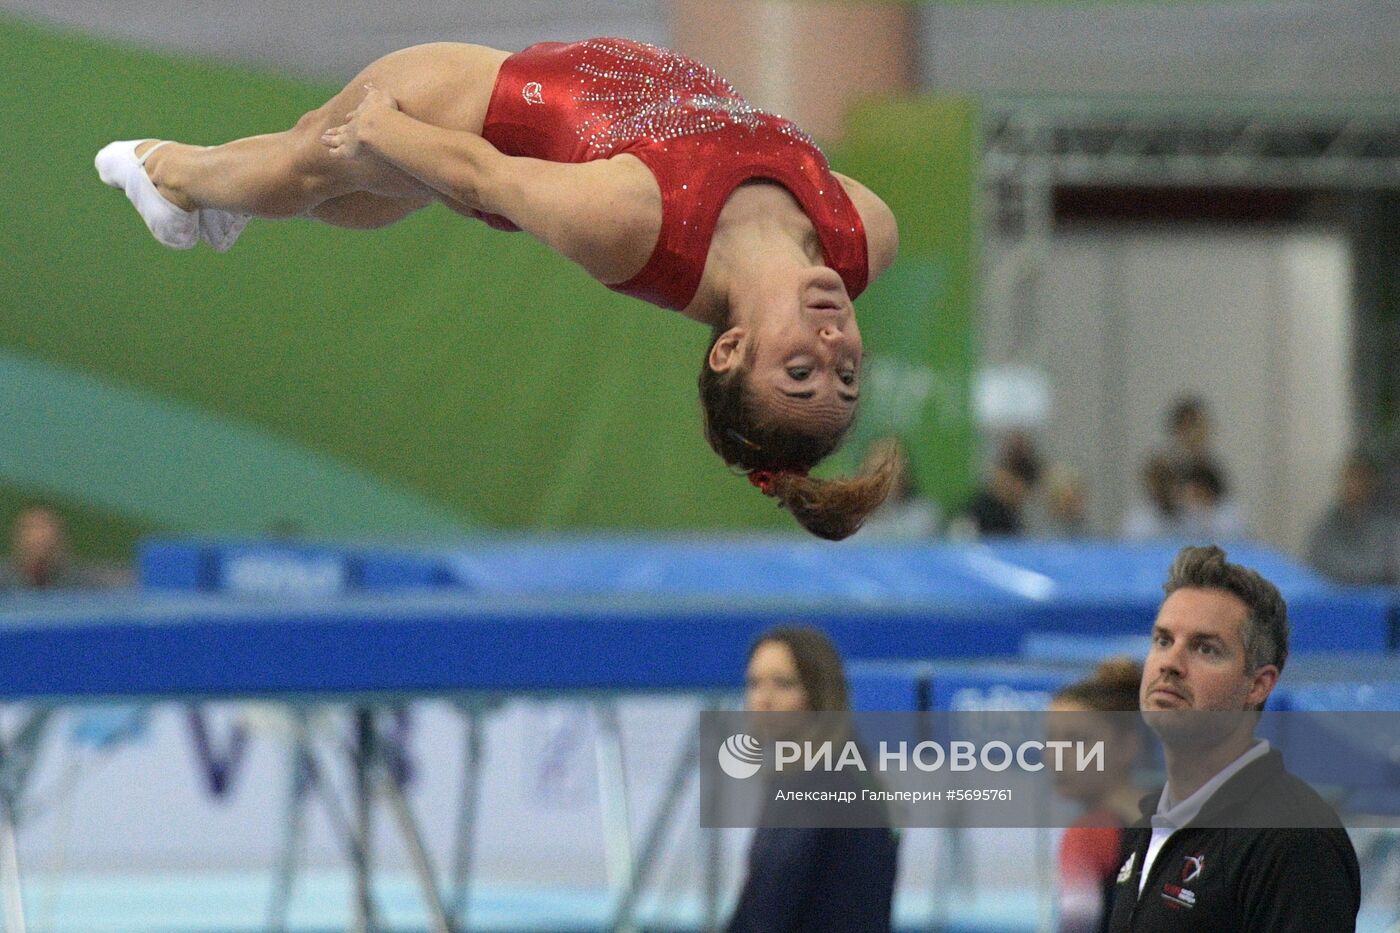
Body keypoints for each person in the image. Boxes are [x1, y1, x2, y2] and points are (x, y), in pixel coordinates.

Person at [95, 38, 901, 539]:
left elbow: (486, 177)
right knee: (352, 194)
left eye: (800, 373)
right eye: (846, 374)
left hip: (494, 109)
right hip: (530, 152)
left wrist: (386, 133)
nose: (834, 347)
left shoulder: (637, 226)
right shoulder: (864, 229)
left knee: (320, 150)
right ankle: (241, 203)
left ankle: (169, 172)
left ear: (730, 348)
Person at [1106, 545, 1359, 931]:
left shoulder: (1293, 840)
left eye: (1205, 648)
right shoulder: (1145, 826)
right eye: (1163, 640)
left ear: (1258, 685)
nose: (1170, 663)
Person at [729, 625, 898, 932]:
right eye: (754, 683)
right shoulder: (853, 770)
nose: (763, 700)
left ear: (820, 692)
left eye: (783, 684)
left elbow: (769, 903)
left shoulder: (812, 782)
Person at [1047, 658, 1144, 933]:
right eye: (1050, 740)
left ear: (1126, 745)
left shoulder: (1088, 835)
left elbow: (1077, 926)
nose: (1056, 757)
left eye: (1077, 742)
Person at [1306, 452, 1398, 585]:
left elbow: (1389, 568)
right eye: (1350, 479)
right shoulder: (1326, 526)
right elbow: (1317, 566)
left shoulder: (1387, 528)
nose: (1354, 486)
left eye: (1360, 479)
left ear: (1370, 484)